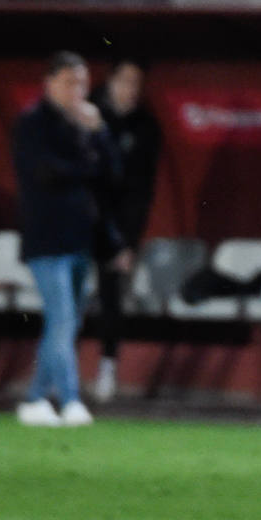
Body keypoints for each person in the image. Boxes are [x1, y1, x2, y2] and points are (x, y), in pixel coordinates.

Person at [11, 52, 128, 427]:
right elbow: (48, 174)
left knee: (67, 322)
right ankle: (71, 400)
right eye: (68, 82)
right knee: (62, 318)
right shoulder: (32, 124)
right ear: (49, 83)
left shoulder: (86, 125)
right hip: (46, 240)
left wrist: (100, 134)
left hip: (80, 239)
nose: (76, 90)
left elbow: (113, 175)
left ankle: (34, 400)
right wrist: (88, 163)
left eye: (81, 82)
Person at [89, 58, 162, 402]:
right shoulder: (86, 116)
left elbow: (141, 192)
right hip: (79, 222)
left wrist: (129, 241)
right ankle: (55, 372)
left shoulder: (146, 127)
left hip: (114, 228)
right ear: (110, 81)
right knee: (66, 298)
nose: (131, 90)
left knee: (110, 294)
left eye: (137, 83)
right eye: (125, 81)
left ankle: (107, 367)